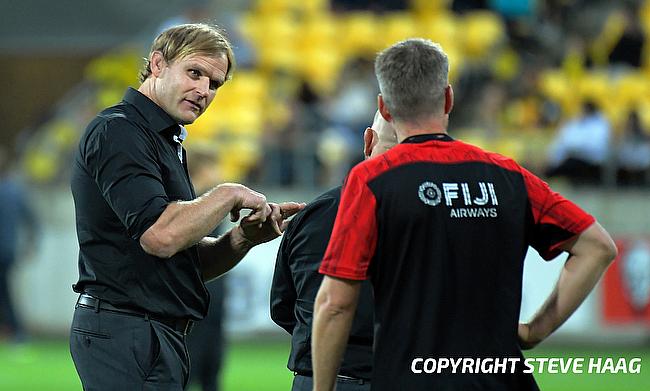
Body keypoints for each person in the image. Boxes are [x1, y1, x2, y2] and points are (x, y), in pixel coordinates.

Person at [312, 38, 618, 391]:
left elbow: (334, 304)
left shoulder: (371, 180)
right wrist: (535, 331)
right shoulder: (508, 176)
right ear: (448, 98)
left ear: (385, 107)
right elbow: (598, 247)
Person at [69, 23, 303, 390]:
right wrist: (227, 192)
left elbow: (181, 260)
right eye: (194, 73)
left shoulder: (163, 139)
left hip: (151, 332)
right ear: (158, 64)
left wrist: (242, 238)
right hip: (127, 331)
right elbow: (160, 237)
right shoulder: (120, 131)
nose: (203, 90)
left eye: (214, 83)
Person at [270, 111, 397, 391]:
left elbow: (282, 305)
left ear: (369, 141)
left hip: (318, 377)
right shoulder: (435, 218)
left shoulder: (315, 213)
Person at [0, 146, 38, 343]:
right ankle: (15, 331)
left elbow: (31, 220)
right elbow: (32, 220)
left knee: (5, 293)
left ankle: (16, 331)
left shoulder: (11, 191)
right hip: (8, 249)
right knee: (6, 292)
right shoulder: (15, 190)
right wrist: (32, 244)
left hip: (4, 250)